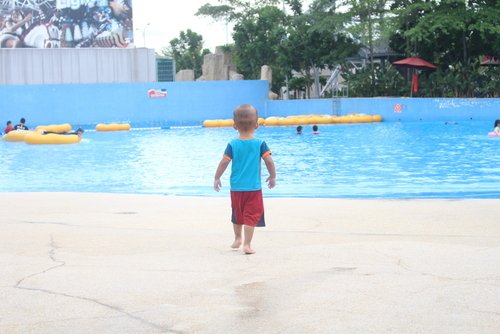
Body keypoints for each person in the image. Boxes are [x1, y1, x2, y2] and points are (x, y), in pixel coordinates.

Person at [214, 104, 276, 255]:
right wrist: (272, 175)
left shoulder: (232, 144)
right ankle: (247, 244)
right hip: (254, 188)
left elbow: (224, 162)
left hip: (236, 187)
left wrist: (217, 177)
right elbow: (269, 161)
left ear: (235, 126)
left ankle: (237, 238)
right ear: (256, 124)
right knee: (251, 215)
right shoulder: (260, 143)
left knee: (237, 213)